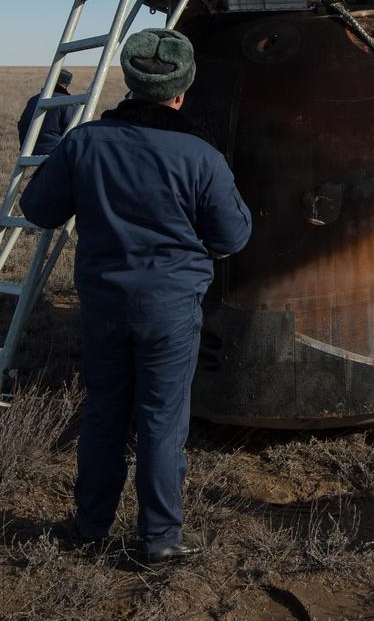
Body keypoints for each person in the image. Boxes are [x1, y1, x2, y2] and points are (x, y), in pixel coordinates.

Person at [19, 28, 252, 564]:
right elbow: (233, 237)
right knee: (161, 422)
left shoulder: (83, 143)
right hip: (169, 312)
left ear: (131, 80)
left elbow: (38, 210)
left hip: (102, 306)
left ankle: (91, 525)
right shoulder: (200, 157)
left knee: (103, 412)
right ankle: (160, 539)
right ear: (181, 91)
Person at [16, 69, 78, 155]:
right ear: (66, 86)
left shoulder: (33, 100)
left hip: (30, 150)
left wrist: (24, 148)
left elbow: (22, 126)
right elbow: (74, 130)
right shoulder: (68, 102)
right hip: (56, 153)